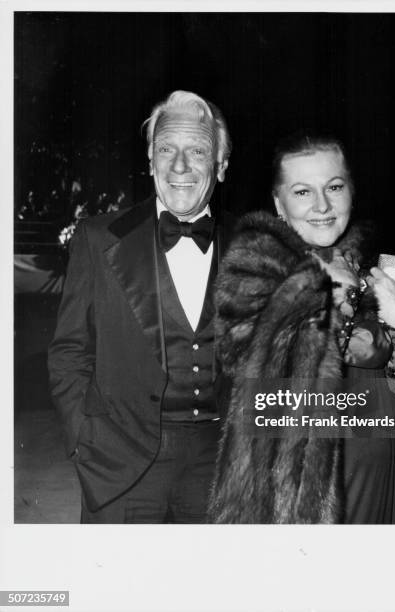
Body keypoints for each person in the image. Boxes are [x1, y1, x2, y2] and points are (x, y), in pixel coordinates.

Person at [208, 131, 395, 524]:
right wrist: (326, 294)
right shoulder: (253, 268)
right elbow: (245, 364)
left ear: (351, 192)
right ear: (279, 203)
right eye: (303, 192)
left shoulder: (378, 269)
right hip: (293, 489)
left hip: (373, 472)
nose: (322, 205)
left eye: (334, 187)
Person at [48, 90, 233, 523]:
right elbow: (69, 351)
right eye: (166, 149)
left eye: (198, 151)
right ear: (150, 161)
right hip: (119, 464)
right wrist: (82, 437)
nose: (179, 166)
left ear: (221, 166)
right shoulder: (98, 238)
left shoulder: (252, 247)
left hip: (219, 468)